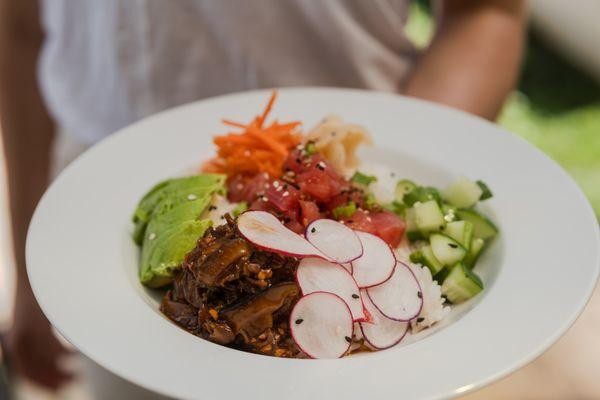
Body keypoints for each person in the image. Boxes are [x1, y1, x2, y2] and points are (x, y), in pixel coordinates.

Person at [0, 0, 525, 397]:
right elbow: (22, 26)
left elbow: (487, 9)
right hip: (94, 197)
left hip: (372, 125)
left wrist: (416, 157)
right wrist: (32, 277)